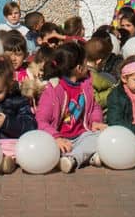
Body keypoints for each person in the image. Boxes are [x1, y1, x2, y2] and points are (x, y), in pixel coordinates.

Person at [36, 41, 106, 173]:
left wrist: (96, 121)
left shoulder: (86, 85)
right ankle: (82, 157)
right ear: (79, 68)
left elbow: (94, 107)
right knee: (47, 149)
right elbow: (41, 121)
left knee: (100, 136)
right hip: (58, 138)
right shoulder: (53, 90)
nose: (88, 67)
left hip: (81, 135)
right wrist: (56, 138)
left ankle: (73, 158)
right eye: (86, 64)